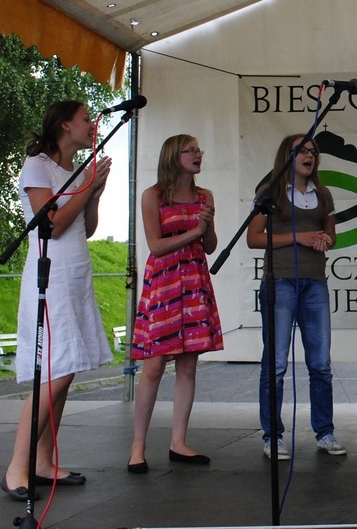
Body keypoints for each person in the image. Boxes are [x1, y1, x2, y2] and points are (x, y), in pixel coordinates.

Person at [2, 100, 113, 501]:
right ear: (65, 124)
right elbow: (51, 226)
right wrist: (87, 188)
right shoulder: (37, 166)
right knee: (57, 371)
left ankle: (44, 460)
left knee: (66, 369)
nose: (92, 126)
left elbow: (86, 227)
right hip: (51, 274)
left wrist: (94, 193)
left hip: (76, 274)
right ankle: (17, 466)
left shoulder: (78, 171)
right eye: (86, 119)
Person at [128, 135, 223, 473]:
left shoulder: (205, 196)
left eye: (199, 149)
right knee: (154, 366)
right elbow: (155, 246)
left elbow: (210, 246)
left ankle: (178, 442)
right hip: (165, 281)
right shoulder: (153, 195)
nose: (198, 154)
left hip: (194, 279)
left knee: (188, 365)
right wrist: (195, 231)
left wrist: (206, 227)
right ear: (173, 155)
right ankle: (137, 447)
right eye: (191, 150)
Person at [247, 134, 346, 458]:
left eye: (312, 151)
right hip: (281, 281)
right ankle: (272, 436)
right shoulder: (271, 192)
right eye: (301, 150)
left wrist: (323, 240)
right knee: (276, 364)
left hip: (315, 282)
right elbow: (253, 237)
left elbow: (331, 235)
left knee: (320, 363)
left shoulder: (323, 194)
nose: (309, 155)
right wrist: (299, 236)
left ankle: (325, 432)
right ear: (286, 157)